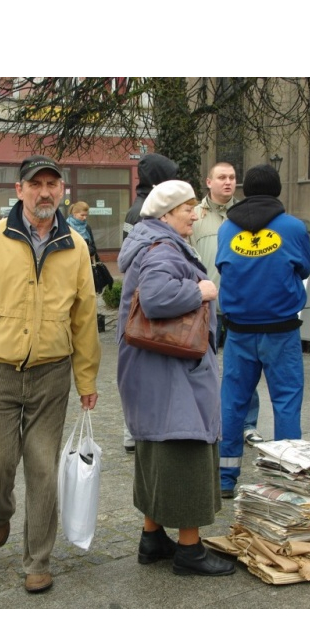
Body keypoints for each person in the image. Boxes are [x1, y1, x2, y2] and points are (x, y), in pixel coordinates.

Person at [0, 155, 101, 594]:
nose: (46, 192)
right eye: (37, 184)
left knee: (44, 470)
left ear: (62, 192)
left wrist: (86, 379)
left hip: (51, 374)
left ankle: (38, 560)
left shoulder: (75, 245)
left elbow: (85, 318)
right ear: (20, 191)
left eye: (53, 184)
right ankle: (0, 508)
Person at [117, 180, 235, 577]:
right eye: (188, 208)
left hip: (153, 369)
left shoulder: (148, 242)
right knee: (187, 448)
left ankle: (152, 539)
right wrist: (200, 289)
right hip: (172, 371)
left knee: (155, 449)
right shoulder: (163, 248)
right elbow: (156, 297)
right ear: (167, 213)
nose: (195, 214)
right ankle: (189, 549)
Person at [216, 165, 310, 498]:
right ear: (277, 190)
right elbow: (303, 267)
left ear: (244, 190)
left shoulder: (227, 229)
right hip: (281, 330)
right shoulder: (294, 227)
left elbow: (222, 266)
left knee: (233, 401)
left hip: (239, 330)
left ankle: (225, 478)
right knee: (286, 401)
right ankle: (287, 476)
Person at [190, 161, 263, 450]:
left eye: (232, 177)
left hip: (239, 305)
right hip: (204, 305)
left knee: (244, 369)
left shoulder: (248, 215)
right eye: (222, 177)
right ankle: (204, 420)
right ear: (208, 181)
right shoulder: (194, 216)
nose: (228, 182)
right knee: (202, 365)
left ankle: (247, 424)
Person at [120, 152, 179, 453]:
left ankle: (135, 429)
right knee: (141, 368)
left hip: (136, 302)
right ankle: (135, 431)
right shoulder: (148, 210)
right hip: (144, 305)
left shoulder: (137, 208)